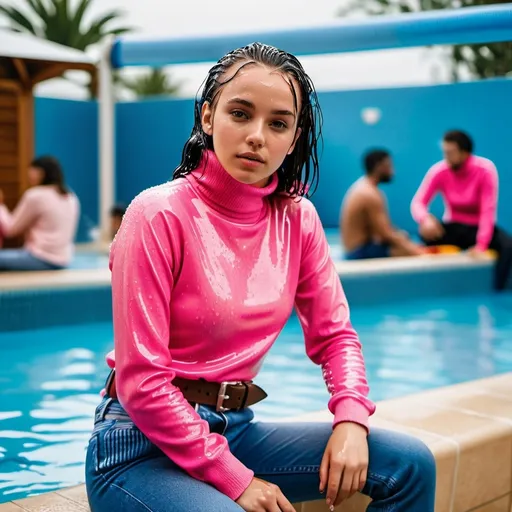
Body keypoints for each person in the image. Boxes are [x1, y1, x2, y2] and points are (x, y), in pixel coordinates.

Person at [85, 43, 436, 512]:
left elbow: (336, 336)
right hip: (137, 447)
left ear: (293, 138)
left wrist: (351, 417)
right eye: (240, 113)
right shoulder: (156, 214)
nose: (256, 136)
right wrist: (236, 480)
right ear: (208, 117)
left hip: (235, 430)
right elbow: (143, 380)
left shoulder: (298, 219)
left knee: (409, 464)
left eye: (277, 123)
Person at [411, 130, 512, 290]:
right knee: (426, 232)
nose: (446, 157)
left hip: (479, 228)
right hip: (454, 226)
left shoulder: (485, 169)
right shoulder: (439, 171)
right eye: (444, 152)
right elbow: (418, 203)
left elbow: (488, 209)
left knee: (508, 246)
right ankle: (431, 286)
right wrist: (425, 219)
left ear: (465, 153)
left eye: (450, 152)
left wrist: (481, 244)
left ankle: (498, 289)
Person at [341, 149, 424, 260]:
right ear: (379, 167)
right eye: (389, 166)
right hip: (357, 253)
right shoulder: (369, 194)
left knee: (403, 237)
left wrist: (401, 237)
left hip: (355, 248)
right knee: (403, 250)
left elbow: (382, 231)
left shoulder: (363, 186)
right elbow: (385, 234)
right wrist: (416, 251)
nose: (393, 171)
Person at [0, 155, 80, 271]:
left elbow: (10, 229)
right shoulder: (71, 197)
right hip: (64, 259)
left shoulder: (36, 195)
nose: (29, 175)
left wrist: (1, 205)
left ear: (41, 173)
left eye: (32, 171)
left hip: (41, 258)